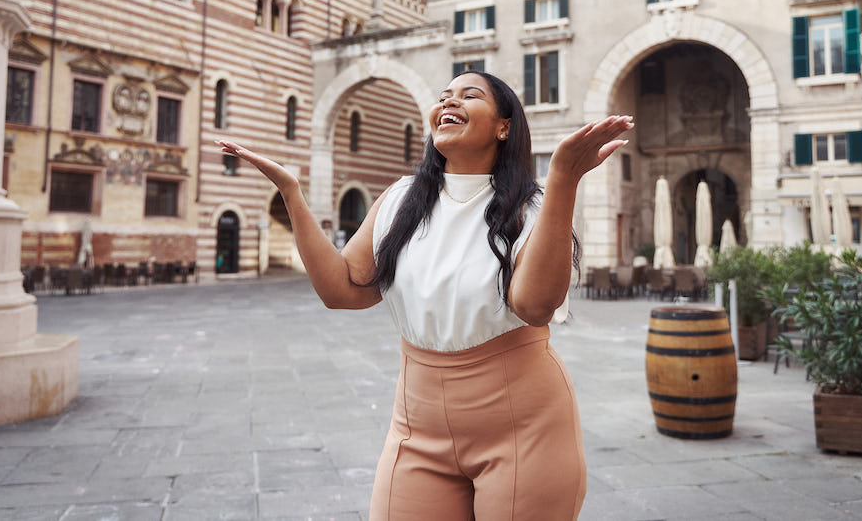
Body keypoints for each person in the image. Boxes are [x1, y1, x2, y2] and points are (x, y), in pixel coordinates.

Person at [216, 71, 633, 520]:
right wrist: (291, 193)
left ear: (504, 127)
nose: (449, 102)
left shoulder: (531, 208)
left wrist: (564, 179)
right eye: (444, 96)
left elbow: (535, 307)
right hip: (417, 427)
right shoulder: (401, 199)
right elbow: (342, 291)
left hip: (523, 426)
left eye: (469, 95)